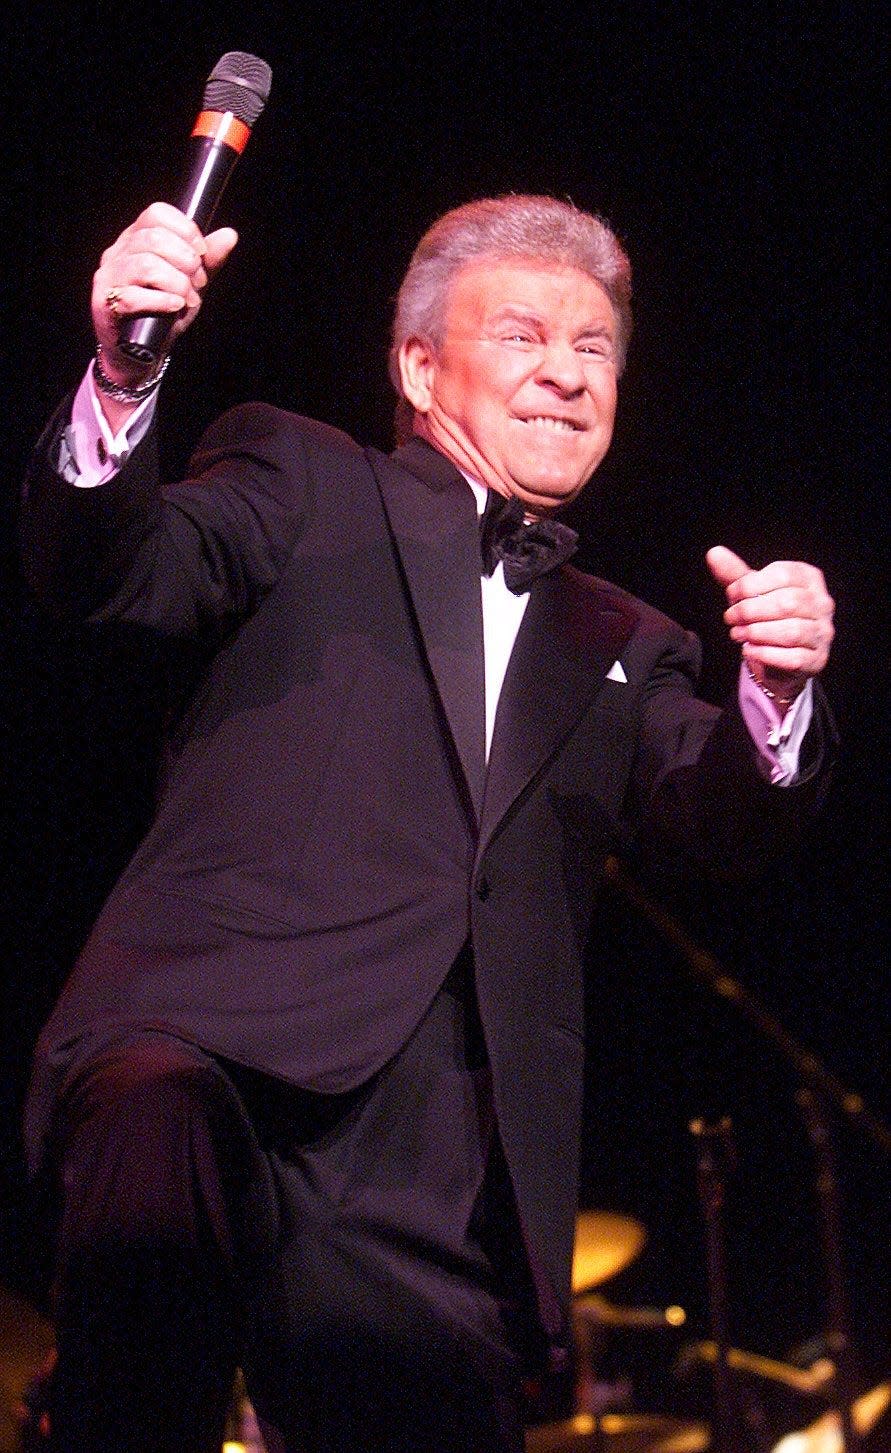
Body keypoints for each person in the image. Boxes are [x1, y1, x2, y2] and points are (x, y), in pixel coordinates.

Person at [19, 194, 836, 1453]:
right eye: (521, 336)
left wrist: (775, 696)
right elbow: (112, 570)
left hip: (442, 1158)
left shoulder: (637, 642)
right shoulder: (301, 476)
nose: (566, 374)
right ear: (416, 365)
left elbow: (719, 819)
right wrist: (129, 370)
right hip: (213, 1046)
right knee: (148, 1261)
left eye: (596, 350)